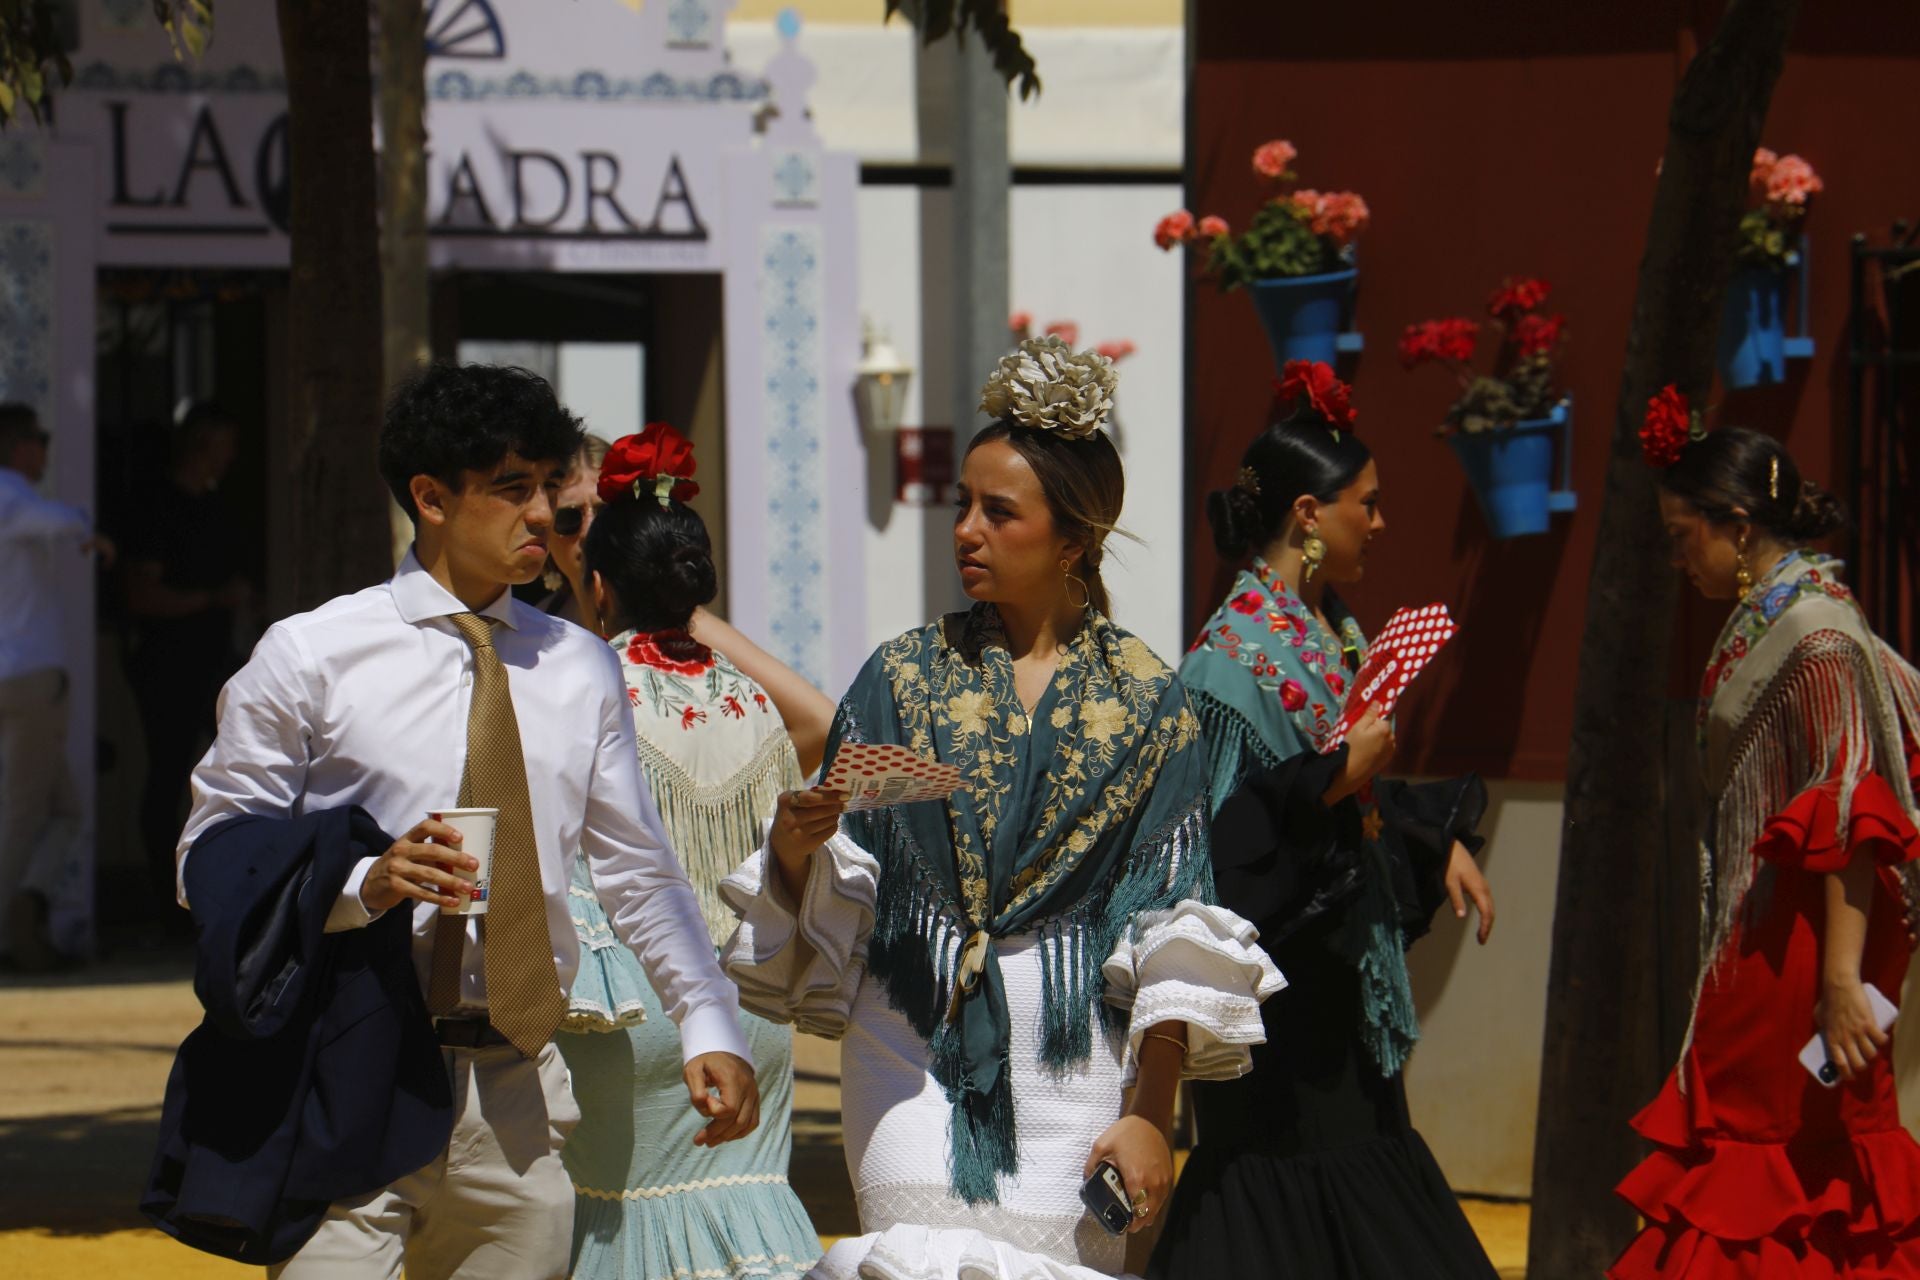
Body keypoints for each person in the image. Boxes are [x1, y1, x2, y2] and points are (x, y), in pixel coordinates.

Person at [175, 363, 760, 1280]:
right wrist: (363, 881)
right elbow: (208, 855)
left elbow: (638, 870)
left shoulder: (580, 668)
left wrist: (707, 1022)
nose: (545, 518)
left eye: (550, 490)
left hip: (516, 1094)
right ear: (430, 498)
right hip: (348, 1065)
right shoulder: (313, 653)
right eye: (511, 489)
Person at [722, 336, 1284, 1279]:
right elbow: (841, 871)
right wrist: (790, 849)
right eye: (963, 505)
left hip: (1073, 1061)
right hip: (903, 1043)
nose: (966, 531)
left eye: (999, 511)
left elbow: (1170, 913)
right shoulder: (900, 675)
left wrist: (1149, 1113)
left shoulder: (1151, 699)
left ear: (1075, 539)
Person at [1149, 362, 1497, 1280]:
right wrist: (1337, 784)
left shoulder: (1330, 632)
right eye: (1367, 504)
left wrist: (1435, 836)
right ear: (1309, 515)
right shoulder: (1225, 670)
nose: (1380, 524)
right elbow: (1220, 862)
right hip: (1281, 1015)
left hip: (1338, 994)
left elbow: (1353, 791)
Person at [1609, 408, 1920, 1279]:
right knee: (1770, 1166)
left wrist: (1841, 986)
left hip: (1804, 958)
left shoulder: (1816, 637)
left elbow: (1852, 816)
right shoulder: (1782, 615)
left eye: (1684, 536)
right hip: (1771, 938)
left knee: (1768, 1163)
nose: (1678, 558)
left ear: (1738, 530)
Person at [543, 421, 822, 1280]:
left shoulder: (573, 682)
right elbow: (820, 719)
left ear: (598, 584)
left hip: (631, 1009)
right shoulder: (751, 701)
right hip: (752, 1019)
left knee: (621, 1235)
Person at [124, 403, 251, 903]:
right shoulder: (159, 507)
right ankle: (162, 900)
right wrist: (209, 600)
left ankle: (232, 894)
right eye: (224, 446)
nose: (231, 458)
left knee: (241, 770)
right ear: (202, 446)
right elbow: (139, 594)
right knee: (168, 776)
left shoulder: (217, 508)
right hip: (167, 663)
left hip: (218, 661)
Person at [0, 403, 108, 970]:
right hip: (29, 680)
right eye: (38, 439)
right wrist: (87, 529)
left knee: (64, 808)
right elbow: (54, 520)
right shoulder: (12, 495)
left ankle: (27, 901)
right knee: (21, 814)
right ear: (19, 446)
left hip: (12, 679)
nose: (43, 449)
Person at [539, 433, 610, 628]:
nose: (589, 531)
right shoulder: (534, 634)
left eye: (605, 512)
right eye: (568, 518)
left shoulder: (683, 624)